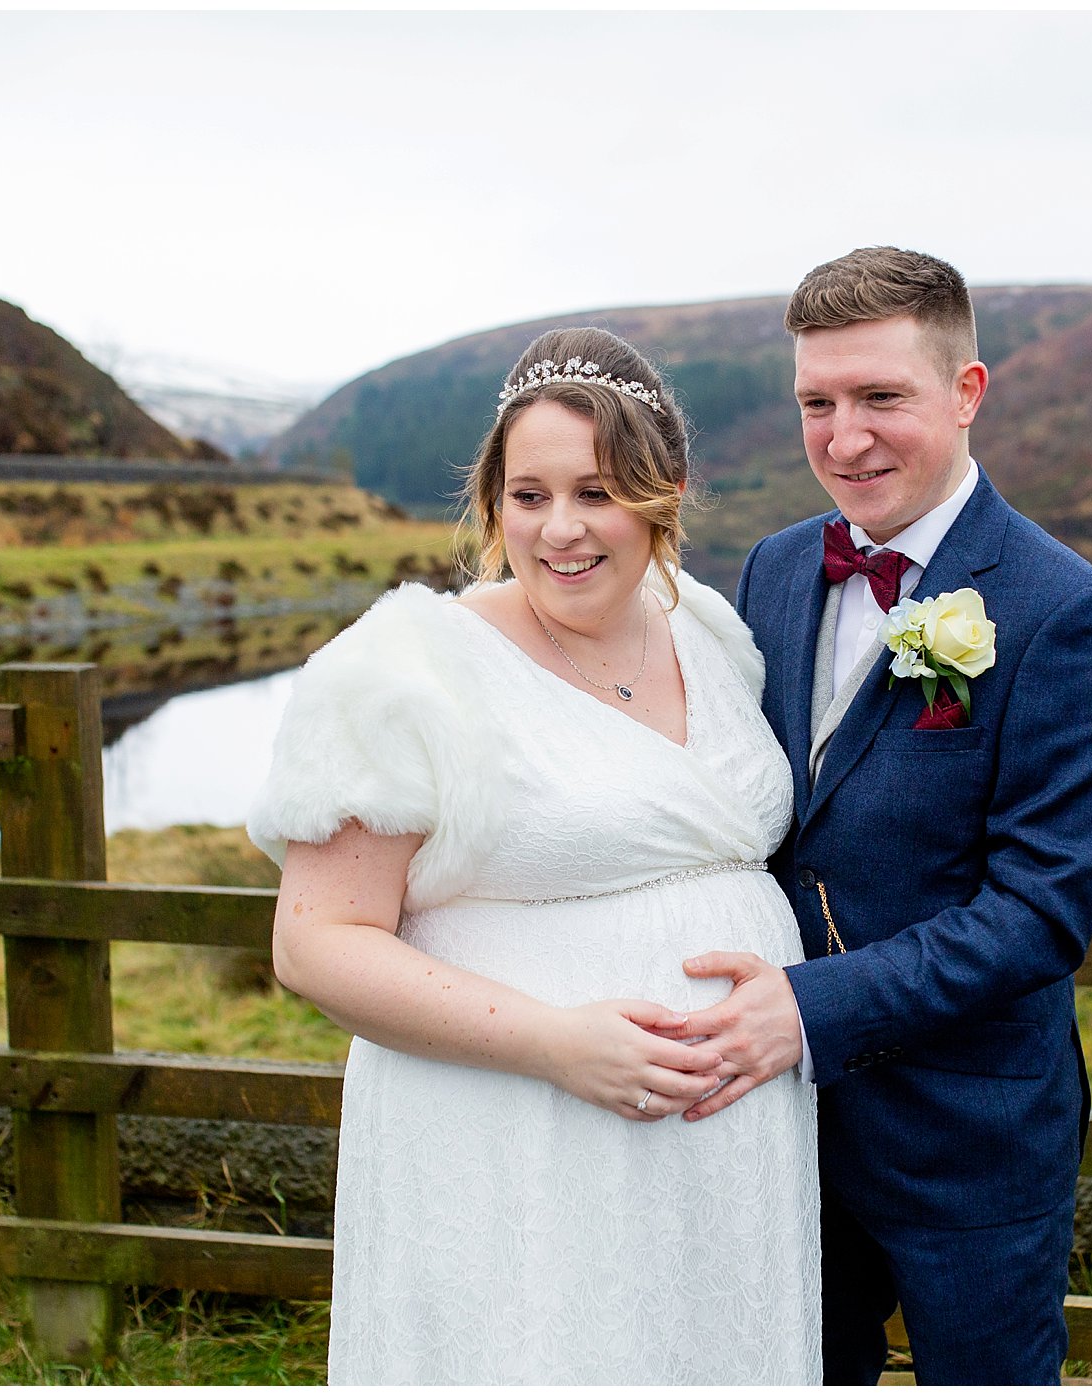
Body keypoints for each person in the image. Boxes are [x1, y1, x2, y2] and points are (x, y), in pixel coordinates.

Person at [244, 325, 820, 1384]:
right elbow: (316, 943)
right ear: (490, 504)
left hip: (727, 1149)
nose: (560, 530)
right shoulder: (404, 670)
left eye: (596, 492)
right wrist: (556, 1042)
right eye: (528, 495)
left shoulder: (710, 632)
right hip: (516, 1146)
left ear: (664, 492)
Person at [675, 247, 1092, 1384]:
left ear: (965, 393)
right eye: (816, 403)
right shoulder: (778, 569)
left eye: (881, 397)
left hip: (966, 1137)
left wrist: (806, 1006)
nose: (844, 439)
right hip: (779, 1124)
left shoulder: (1067, 613)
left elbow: (1038, 915)